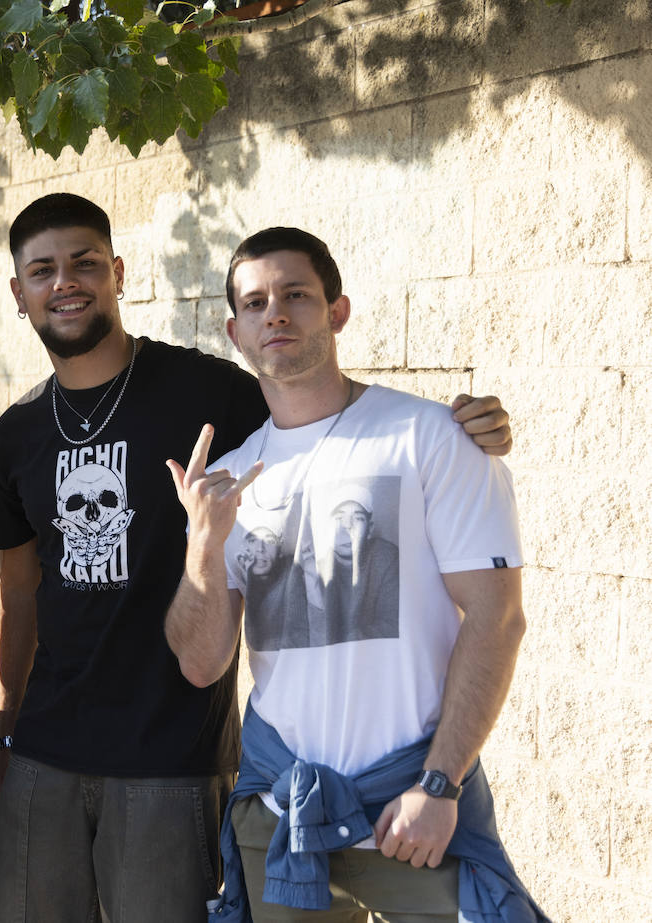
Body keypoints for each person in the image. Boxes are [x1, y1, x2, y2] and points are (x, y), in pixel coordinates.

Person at [0, 194, 515, 923]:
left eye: (84, 262)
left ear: (117, 271)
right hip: (107, 761)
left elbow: (320, 402)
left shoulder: (214, 396)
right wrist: (6, 720)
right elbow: (20, 585)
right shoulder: (18, 433)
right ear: (17, 293)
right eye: (42, 269)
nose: (65, 281)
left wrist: (469, 422)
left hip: (182, 761)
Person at [164, 227, 545, 922]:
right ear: (234, 331)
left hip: (414, 810)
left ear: (337, 311)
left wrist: (442, 782)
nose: (274, 313)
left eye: (295, 295)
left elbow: (499, 619)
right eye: (255, 303)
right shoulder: (231, 480)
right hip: (280, 812)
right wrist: (202, 548)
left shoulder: (431, 437)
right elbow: (200, 663)